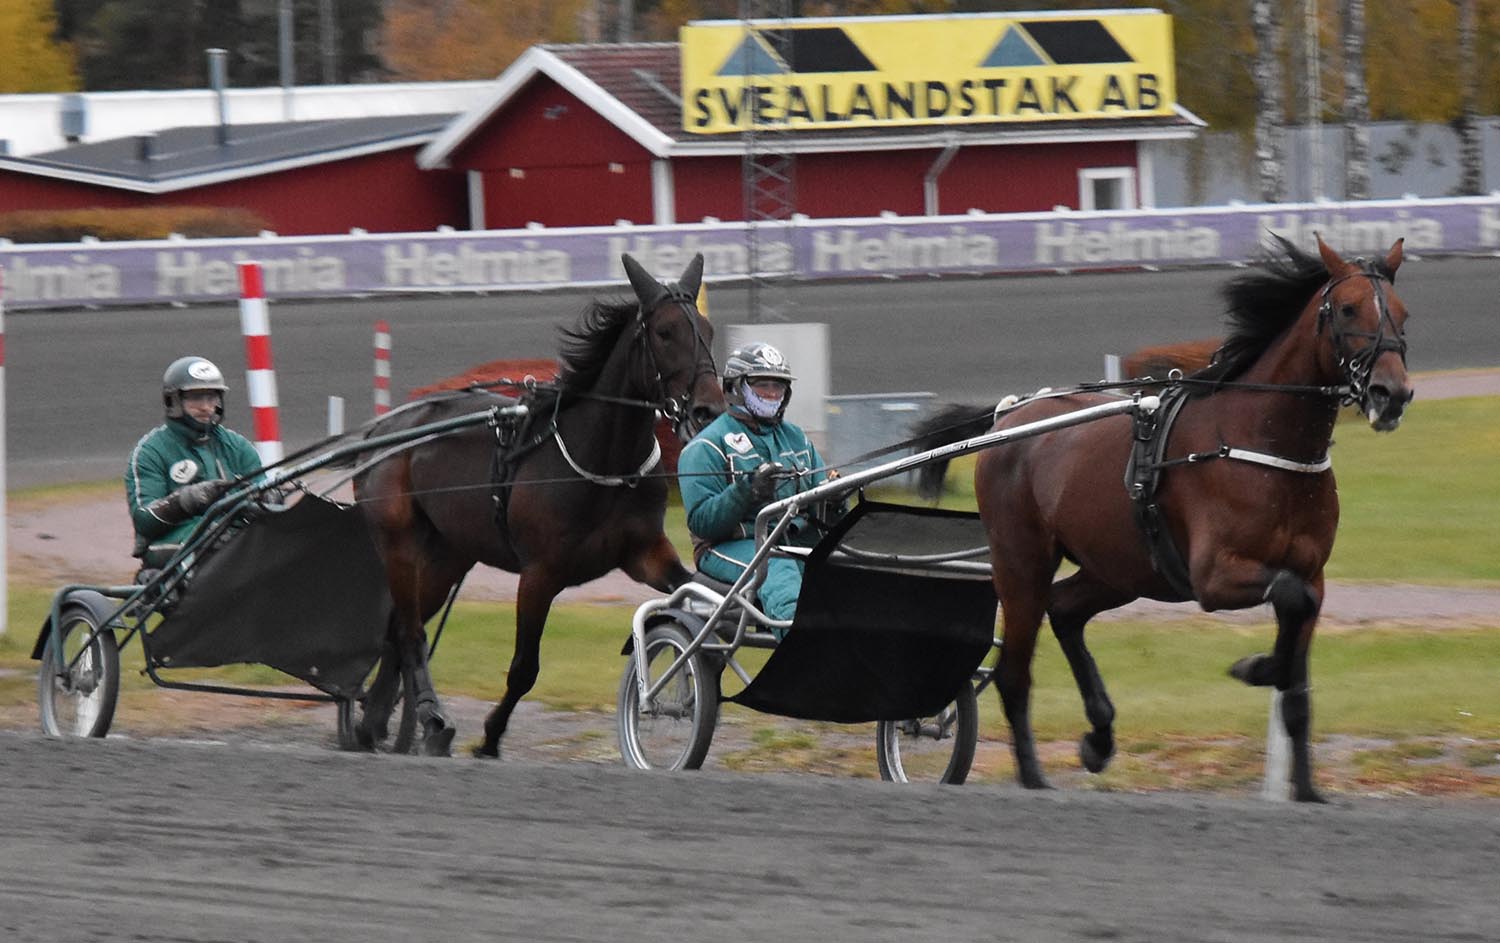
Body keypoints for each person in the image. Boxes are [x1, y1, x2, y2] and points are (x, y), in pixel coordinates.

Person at [678, 342, 834, 631]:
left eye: (778, 387)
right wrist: (746, 491)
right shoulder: (706, 446)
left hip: (789, 541)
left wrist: (837, 498)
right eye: (762, 386)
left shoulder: (797, 439)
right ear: (737, 388)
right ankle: (803, 653)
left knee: (849, 566)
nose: (772, 394)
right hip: (728, 546)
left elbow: (821, 508)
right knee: (776, 565)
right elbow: (702, 523)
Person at [125, 356, 262, 569]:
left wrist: (266, 497)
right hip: (170, 543)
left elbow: (263, 496)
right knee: (219, 541)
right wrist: (185, 500)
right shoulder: (150, 451)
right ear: (174, 401)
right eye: (196, 398)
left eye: (212, 397)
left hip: (233, 535)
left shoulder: (239, 447)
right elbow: (144, 521)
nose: (206, 407)